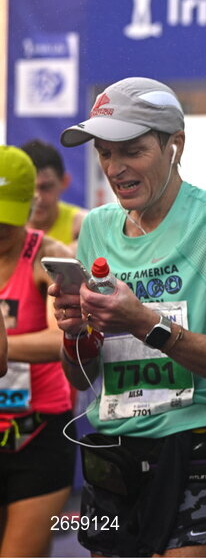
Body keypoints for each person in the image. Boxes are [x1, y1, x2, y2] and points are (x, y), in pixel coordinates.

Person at [50, 77, 206, 557]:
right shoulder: (96, 228)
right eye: (105, 153)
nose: (115, 168)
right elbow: (80, 375)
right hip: (115, 449)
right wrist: (75, 335)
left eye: (131, 150)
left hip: (203, 442)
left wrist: (144, 322)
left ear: (175, 146)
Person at [0, 145, 75, 557]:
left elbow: (59, 339)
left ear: (30, 205)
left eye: (7, 220)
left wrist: (2, 348)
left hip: (39, 433)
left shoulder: (49, 257)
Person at [19, 138, 87, 245]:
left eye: (45, 187)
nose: (37, 197)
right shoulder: (7, 228)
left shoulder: (83, 226)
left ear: (64, 182)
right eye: (29, 188)